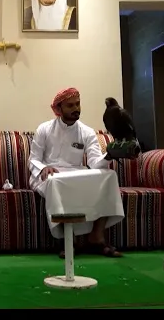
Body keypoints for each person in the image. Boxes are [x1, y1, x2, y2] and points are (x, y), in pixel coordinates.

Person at [28, 87, 125, 258]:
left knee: (109, 175)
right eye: (70, 105)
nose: (76, 109)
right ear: (59, 109)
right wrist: (43, 168)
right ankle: (68, 241)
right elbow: (33, 159)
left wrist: (109, 155)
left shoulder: (86, 131)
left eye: (78, 104)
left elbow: (95, 163)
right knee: (56, 181)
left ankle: (97, 237)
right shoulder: (44, 129)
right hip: (48, 175)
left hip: (76, 173)